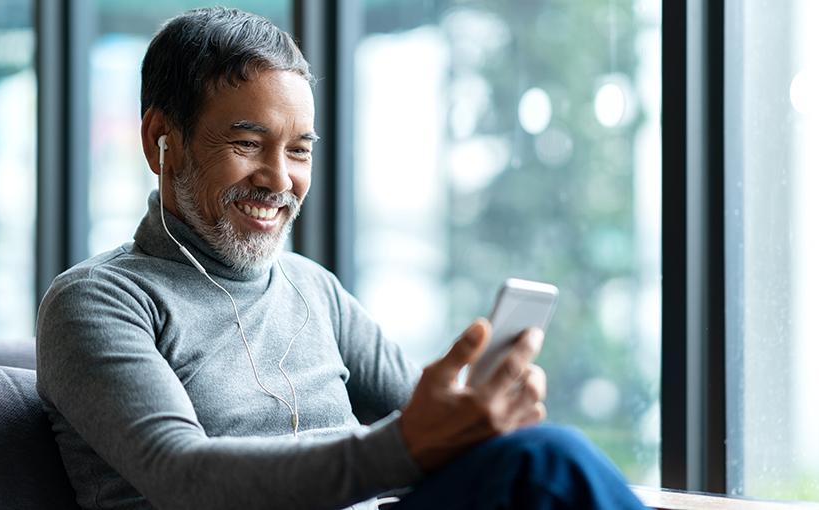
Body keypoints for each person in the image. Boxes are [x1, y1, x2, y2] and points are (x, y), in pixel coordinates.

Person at [35, 7, 647, 510]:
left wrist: (483, 417)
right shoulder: (97, 301)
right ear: (158, 139)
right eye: (248, 144)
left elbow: (430, 426)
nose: (279, 179)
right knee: (549, 463)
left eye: (299, 151)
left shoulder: (311, 288)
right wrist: (403, 447)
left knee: (535, 458)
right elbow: (180, 475)